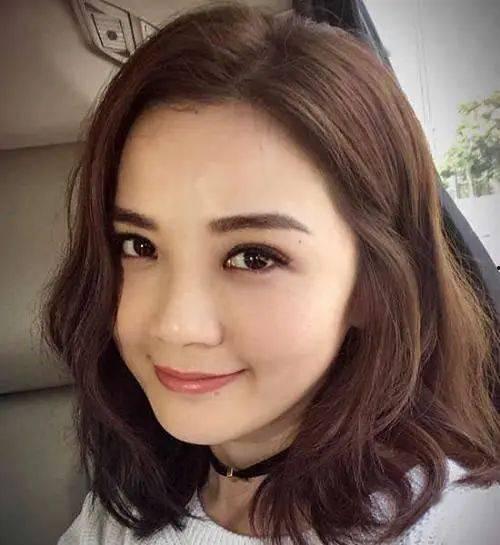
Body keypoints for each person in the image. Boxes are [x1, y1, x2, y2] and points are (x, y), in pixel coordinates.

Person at [41, 2, 500, 544]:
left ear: (374, 286)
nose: (176, 326)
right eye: (138, 246)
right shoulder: (119, 509)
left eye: (253, 257)